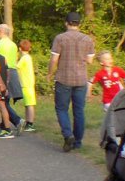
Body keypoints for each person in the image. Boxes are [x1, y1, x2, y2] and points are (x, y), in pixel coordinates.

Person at [48, 11, 95, 152]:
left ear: (66, 23)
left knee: (61, 109)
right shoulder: (88, 39)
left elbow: (54, 59)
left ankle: (68, 135)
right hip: (81, 79)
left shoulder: (60, 38)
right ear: (79, 24)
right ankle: (78, 142)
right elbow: (90, 60)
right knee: (79, 111)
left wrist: (50, 73)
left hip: (63, 78)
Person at [0, 24, 25, 134]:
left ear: (1, 32)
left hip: (3, 73)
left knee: (1, 101)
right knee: (5, 100)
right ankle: (3, 125)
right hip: (13, 72)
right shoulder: (13, 45)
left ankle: (17, 121)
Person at [17, 39, 37, 131]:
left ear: (20, 49)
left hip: (26, 84)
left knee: (29, 104)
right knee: (27, 104)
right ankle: (28, 121)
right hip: (27, 83)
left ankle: (30, 123)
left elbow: (17, 66)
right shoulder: (28, 57)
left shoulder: (24, 58)